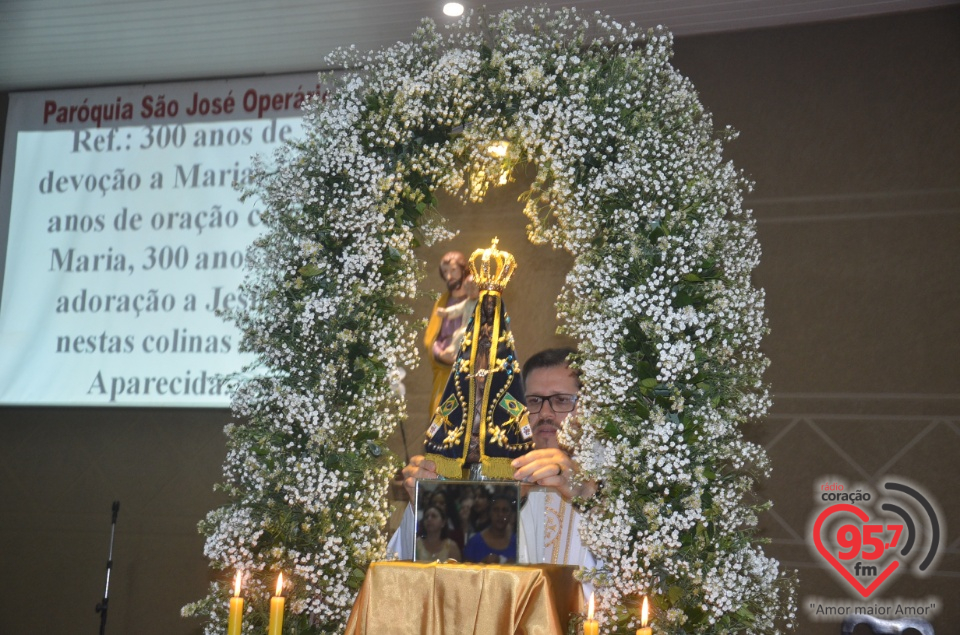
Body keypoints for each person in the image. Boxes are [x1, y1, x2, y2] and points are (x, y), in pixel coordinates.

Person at [389, 348, 597, 568]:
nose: (545, 413)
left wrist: (586, 494)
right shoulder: (491, 474)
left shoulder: (610, 484)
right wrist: (417, 506)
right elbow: (408, 574)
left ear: (589, 407)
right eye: (534, 401)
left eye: (562, 400)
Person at [423, 251, 477, 415]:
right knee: (441, 418)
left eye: (453, 270)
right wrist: (440, 354)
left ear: (463, 271)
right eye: (445, 272)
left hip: (470, 370)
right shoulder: (443, 302)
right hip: (445, 370)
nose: (449, 276)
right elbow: (430, 339)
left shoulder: (477, 301)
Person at [462, 495, 517, 563]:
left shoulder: (518, 543)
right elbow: (466, 572)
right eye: (496, 510)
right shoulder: (474, 543)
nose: (500, 514)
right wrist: (483, 564)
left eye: (505, 510)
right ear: (489, 513)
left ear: (511, 515)